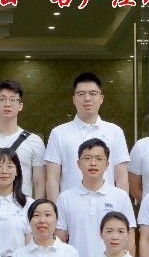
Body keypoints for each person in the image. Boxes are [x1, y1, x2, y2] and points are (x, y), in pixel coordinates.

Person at [44, 72, 131, 201]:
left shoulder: (115, 132)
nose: (87, 98)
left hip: (108, 207)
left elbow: (121, 177)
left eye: (93, 93)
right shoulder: (59, 133)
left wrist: (122, 210)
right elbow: (52, 179)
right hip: (70, 206)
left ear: (101, 98)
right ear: (74, 99)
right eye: (81, 94)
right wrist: (56, 210)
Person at [56, 138, 137, 257]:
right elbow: (60, 240)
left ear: (107, 164)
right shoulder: (65, 198)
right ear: (78, 164)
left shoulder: (120, 196)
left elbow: (129, 237)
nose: (93, 163)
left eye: (99, 159)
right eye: (87, 158)